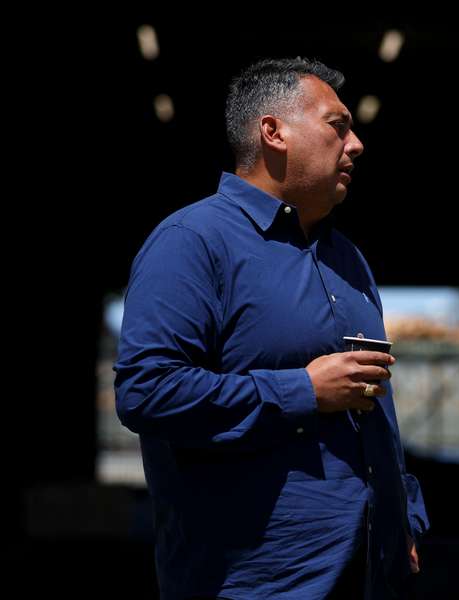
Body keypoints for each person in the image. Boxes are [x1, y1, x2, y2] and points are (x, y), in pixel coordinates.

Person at [114, 57, 428, 599]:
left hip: (371, 571)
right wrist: (302, 390)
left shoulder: (347, 258)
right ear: (273, 132)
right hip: (254, 582)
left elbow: (374, 405)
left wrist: (405, 514)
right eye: (338, 126)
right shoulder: (192, 241)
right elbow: (145, 390)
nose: (356, 145)